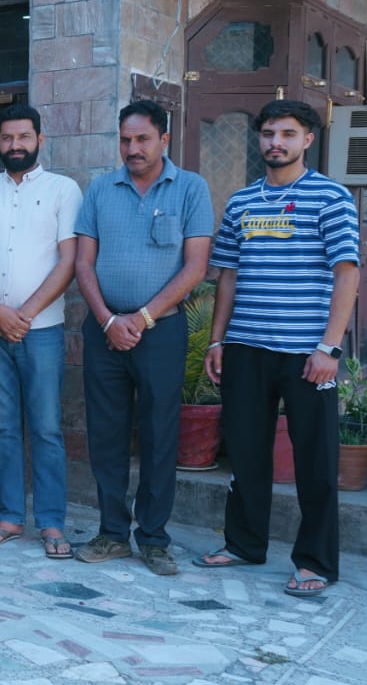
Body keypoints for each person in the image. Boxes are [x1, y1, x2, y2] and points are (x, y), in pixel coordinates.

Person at [193, 100, 358, 597]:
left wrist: (329, 348)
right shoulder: (242, 202)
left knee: (315, 460)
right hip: (247, 346)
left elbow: (346, 273)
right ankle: (244, 544)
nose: (276, 142)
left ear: (307, 139)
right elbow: (227, 275)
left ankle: (315, 561)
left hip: (308, 352)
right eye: (268, 133)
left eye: (287, 133)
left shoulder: (331, 197)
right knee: (246, 453)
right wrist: (218, 338)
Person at [73, 100, 213, 576]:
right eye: (125, 140)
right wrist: (108, 321)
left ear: (164, 140)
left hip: (162, 332)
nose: (132, 148)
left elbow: (196, 267)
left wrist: (141, 319)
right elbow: (83, 263)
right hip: (104, 331)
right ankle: (112, 533)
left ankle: (153, 538)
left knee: (159, 434)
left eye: (142, 139)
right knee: (106, 434)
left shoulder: (191, 188)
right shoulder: (100, 189)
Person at [0, 103, 81, 558]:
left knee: (47, 428)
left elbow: (69, 261)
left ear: (39, 140)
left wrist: (23, 314)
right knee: (2, 428)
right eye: (8, 138)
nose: (16, 145)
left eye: (24, 137)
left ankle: (51, 523)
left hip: (42, 331)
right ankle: (10, 516)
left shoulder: (63, 190)